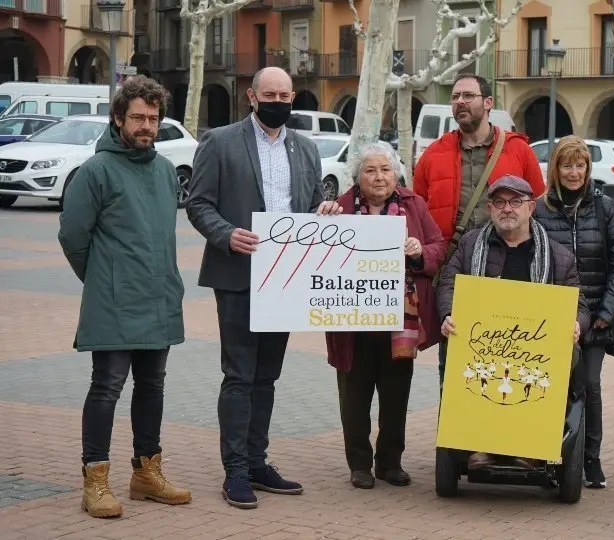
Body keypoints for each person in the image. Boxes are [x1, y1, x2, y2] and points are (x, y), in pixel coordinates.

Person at [186, 67, 325, 509]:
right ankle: (237, 472)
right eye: (271, 93)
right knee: (240, 375)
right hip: (239, 274)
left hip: (286, 278)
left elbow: (308, 203)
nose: (280, 100)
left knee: (267, 376)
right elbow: (197, 202)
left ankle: (258, 461)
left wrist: (323, 210)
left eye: (286, 94)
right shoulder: (220, 141)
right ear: (252, 96)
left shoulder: (305, 148)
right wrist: (225, 234)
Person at [58, 76, 191, 518]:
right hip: (113, 301)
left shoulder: (165, 171)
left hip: (158, 299)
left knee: (152, 387)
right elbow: (73, 237)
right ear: (118, 118)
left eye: (153, 118)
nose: (146, 126)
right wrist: (103, 279)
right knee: (107, 388)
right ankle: (94, 479)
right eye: (137, 117)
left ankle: (145, 473)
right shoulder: (95, 171)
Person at [436, 174, 591, 470]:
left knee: (564, 360)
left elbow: (578, 302)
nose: (507, 208)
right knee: (462, 358)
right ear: (491, 209)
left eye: (515, 202)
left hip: (533, 350)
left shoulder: (558, 256)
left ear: (530, 208)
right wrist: (447, 315)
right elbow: (448, 284)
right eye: (499, 202)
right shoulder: (470, 245)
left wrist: (576, 323)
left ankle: (531, 444)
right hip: (483, 345)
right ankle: (477, 443)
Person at [314, 144, 446, 489]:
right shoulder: (338, 208)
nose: (379, 177)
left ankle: (389, 462)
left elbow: (438, 246)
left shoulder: (413, 204)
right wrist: (320, 218)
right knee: (354, 399)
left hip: (400, 323)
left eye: (385, 170)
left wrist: (420, 252)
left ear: (396, 173)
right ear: (357, 175)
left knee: (395, 397)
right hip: (352, 326)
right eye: (370, 170)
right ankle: (359, 464)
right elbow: (314, 252)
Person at [413, 74, 545, 385]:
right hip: (454, 274)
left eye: (468, 96)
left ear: (488, 103)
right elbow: (416, 211)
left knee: (509, 362)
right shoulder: (433, 154)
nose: (460, 102)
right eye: (455, 96)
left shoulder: (518, 151)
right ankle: (456, 430)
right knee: (454, 363)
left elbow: (539, 207)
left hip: (510, 270)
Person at [533, 135, 614, 488]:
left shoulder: (605, 207)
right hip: (552, 319)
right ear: (555, 169)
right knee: (552, 387)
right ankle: (550, 452)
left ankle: (591, 458)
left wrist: (608, 309)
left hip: (596, 317)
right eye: (566, 165)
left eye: (580, 165)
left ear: (588, 169)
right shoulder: (539, 210)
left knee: (588, 385)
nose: (573, 173)